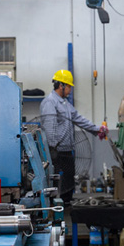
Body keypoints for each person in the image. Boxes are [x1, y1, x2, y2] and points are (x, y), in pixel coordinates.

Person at [39, 69, 107, 203]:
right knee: (54, 181)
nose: (70, 90)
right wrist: (52, 149)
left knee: (68, 181)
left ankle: (67, 204)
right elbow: (49, 128)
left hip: (66, 150)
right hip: (55, 152)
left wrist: (97, 130)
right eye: (69, 86)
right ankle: (53, 207)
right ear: (61, 85)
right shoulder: (50, 102)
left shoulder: (65, 104)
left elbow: (78, 119)